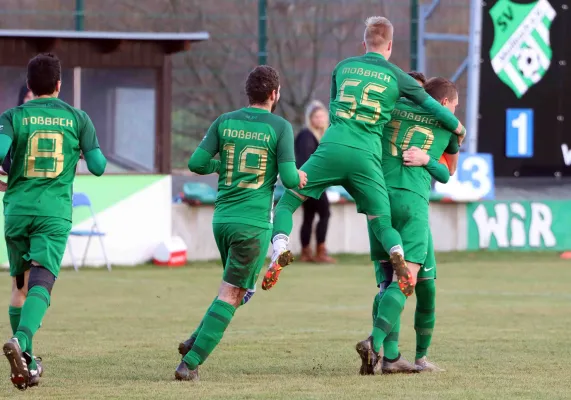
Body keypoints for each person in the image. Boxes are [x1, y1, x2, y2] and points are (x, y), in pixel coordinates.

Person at [262, 15, 465, 297]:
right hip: (366, 157)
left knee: (287, 202)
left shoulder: (342, 67)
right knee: (381, 220)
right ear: (390, 45)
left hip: (332, 147)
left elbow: (334, 109)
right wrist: (457, 126)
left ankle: (280, 247)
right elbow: (430, 104)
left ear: (363, 43)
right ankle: (396, 253)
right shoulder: (397, 76)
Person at [175, 65, 307, 382]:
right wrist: (299, 176)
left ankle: (194, 338)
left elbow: (196, 163)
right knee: (234, 293)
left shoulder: (225, 121)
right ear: (275, 94)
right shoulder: (280, 127)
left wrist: (223, 165)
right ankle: (190, 363)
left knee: (238, 289)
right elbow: (289, 178)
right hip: (252, 224)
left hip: (222, 220)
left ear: (248, 93)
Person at [0, 53, 107, 390]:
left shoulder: (12, 116)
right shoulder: (78, 118)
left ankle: (28, 363)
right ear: (59, 85)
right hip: (52, 213)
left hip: (17, 211)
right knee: (41, 283)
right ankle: (20, 340)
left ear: (30, 86)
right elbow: (100, 165)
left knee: (20, 287)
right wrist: (82, 149)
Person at [357, 76, 460, 375]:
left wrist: (426, 157)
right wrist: (433, 156)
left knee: (396, 284)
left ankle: (399, 358)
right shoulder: (446, 123)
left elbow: (447, 168)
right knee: (405, 282)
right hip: (411, 204)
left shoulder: (386, 111)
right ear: (444, 104)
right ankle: (382, 348)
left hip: (378, 202)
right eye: (454, 105)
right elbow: (447, 172)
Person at [295, 100, 335, 263]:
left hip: (312, 182)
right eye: (316, 117)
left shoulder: (321, 135)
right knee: (324, 213)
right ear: (310, 119)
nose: (320, 119)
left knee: (309, 216)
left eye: (322, 116)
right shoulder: (306, 135)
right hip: (311, 182)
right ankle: (319, 251)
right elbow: (305, 160)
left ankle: (307, 253)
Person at [1, 86, 34, 177]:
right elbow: (4, 152)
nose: (30, 100)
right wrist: (11, 172)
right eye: (28, 97)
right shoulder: (12, 118)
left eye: (33, 97)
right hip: (19, 174)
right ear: (22, 97)